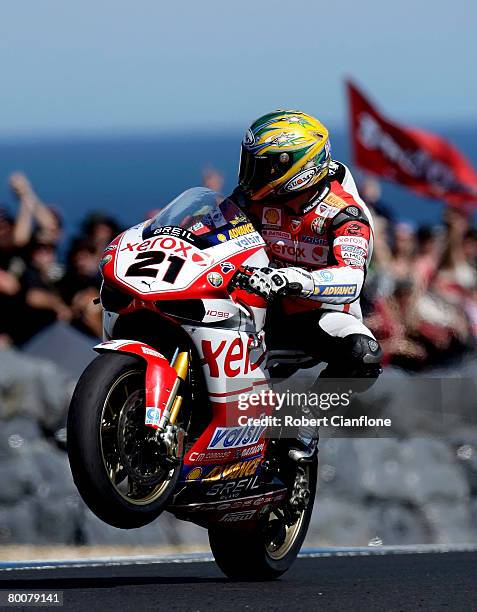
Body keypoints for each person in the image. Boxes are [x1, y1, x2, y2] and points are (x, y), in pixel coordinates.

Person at [229, 110, 383, 460]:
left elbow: (352, 279)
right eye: (252, 162)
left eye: (265, 165)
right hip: (253, 308)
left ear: (299, 168)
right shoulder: (253, 198)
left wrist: (296, 279)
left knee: (364, 354)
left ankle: (307, 417)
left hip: (315, 318)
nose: (253, 173)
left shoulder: (345, 214)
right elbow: (208, 228)